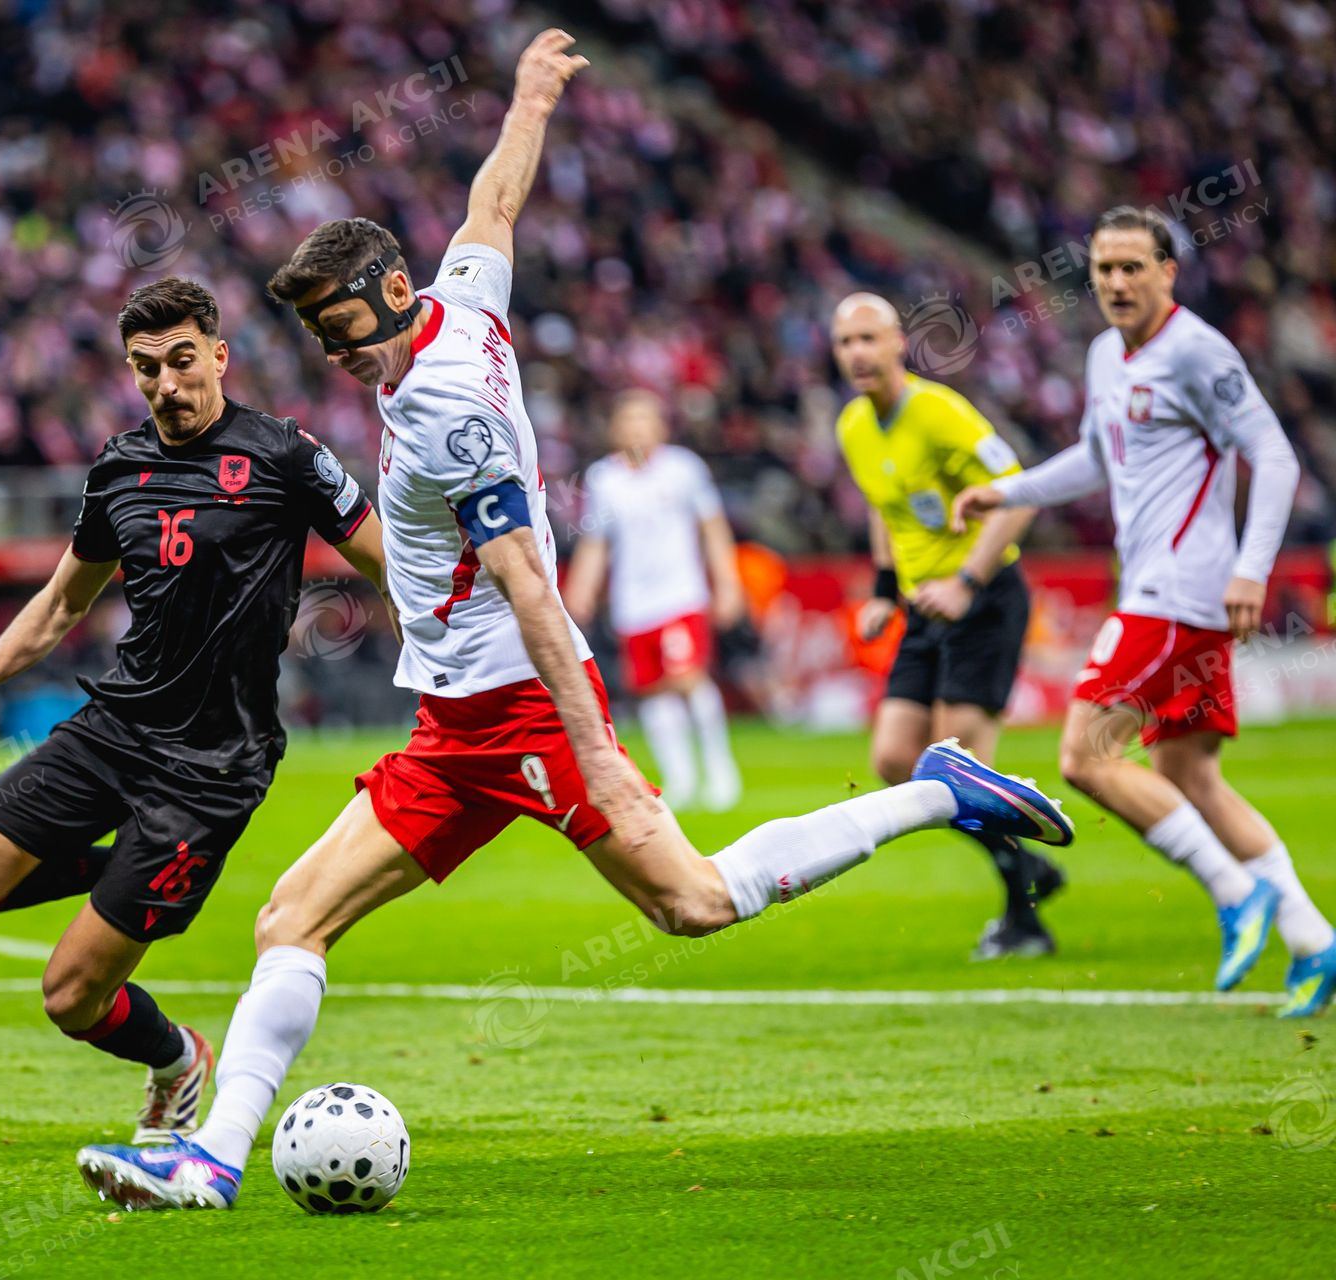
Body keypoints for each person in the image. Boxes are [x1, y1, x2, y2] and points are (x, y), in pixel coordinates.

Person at [74, 30, 1074, 1211]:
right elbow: (495, 200)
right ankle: (212, 1160)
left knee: (694, 901)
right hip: (453, 723)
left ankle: (939, 789)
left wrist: (591, 743)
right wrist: (533, 95)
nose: (341, 355)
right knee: (292, 913)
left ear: (392, 292)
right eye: (323, 342)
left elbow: (529, 584)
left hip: (527, 710)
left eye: (348, 330)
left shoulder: (446, 408)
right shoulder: (459, 302)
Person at [0, 277, 388, 1144]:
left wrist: (468, 639)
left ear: (219, 356)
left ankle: (174, 1059)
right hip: (114, 731)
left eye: (181, 361)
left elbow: (386, 559)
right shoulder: (118, 468)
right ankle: (139, 876)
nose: (166, 383)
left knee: (70, 997)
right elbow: (63, 601)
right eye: (146, 367)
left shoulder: (284, 455)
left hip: (212, 768)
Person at [955, 206, 1333, 1017]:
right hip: (1162, 593)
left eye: (1134, 266)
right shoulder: (1105, 355)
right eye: (1105, 268)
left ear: (1169, 272)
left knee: (1086, 755)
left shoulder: (1198, 351)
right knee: (1190, 777)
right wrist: (1007, 494)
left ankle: (1235, 892)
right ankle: (1315, 941)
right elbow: (1097, 457)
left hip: (1181, 592)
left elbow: (1273, 455)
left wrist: (1252, 570)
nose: (1117, 282)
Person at [830, 292, 1067, 960]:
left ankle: (1025, 919)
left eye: (869, 338)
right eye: (846, 342)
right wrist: (884, 590)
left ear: (899, 343)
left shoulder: (940, 413)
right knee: (894, 760)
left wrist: (966, 583)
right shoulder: (853, 425)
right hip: (922, 607)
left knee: (962, 769)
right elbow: (884, 507)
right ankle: (1030, 865)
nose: (858, 353)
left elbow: (1020, 494)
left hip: (983, 601)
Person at [564, 389, 744, 811]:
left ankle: (720, 770)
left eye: (645, 419)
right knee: (653, 691)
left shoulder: (683, 469)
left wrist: (728, 583)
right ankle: (680, 777)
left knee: (688, 679)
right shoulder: (603, 479)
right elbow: (596, 542)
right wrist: (581, 589)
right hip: (633, 603)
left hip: (681, 594)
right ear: (615, 430)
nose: (637, 429)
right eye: (629, 420)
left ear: (661, 426)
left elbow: (713, 528)